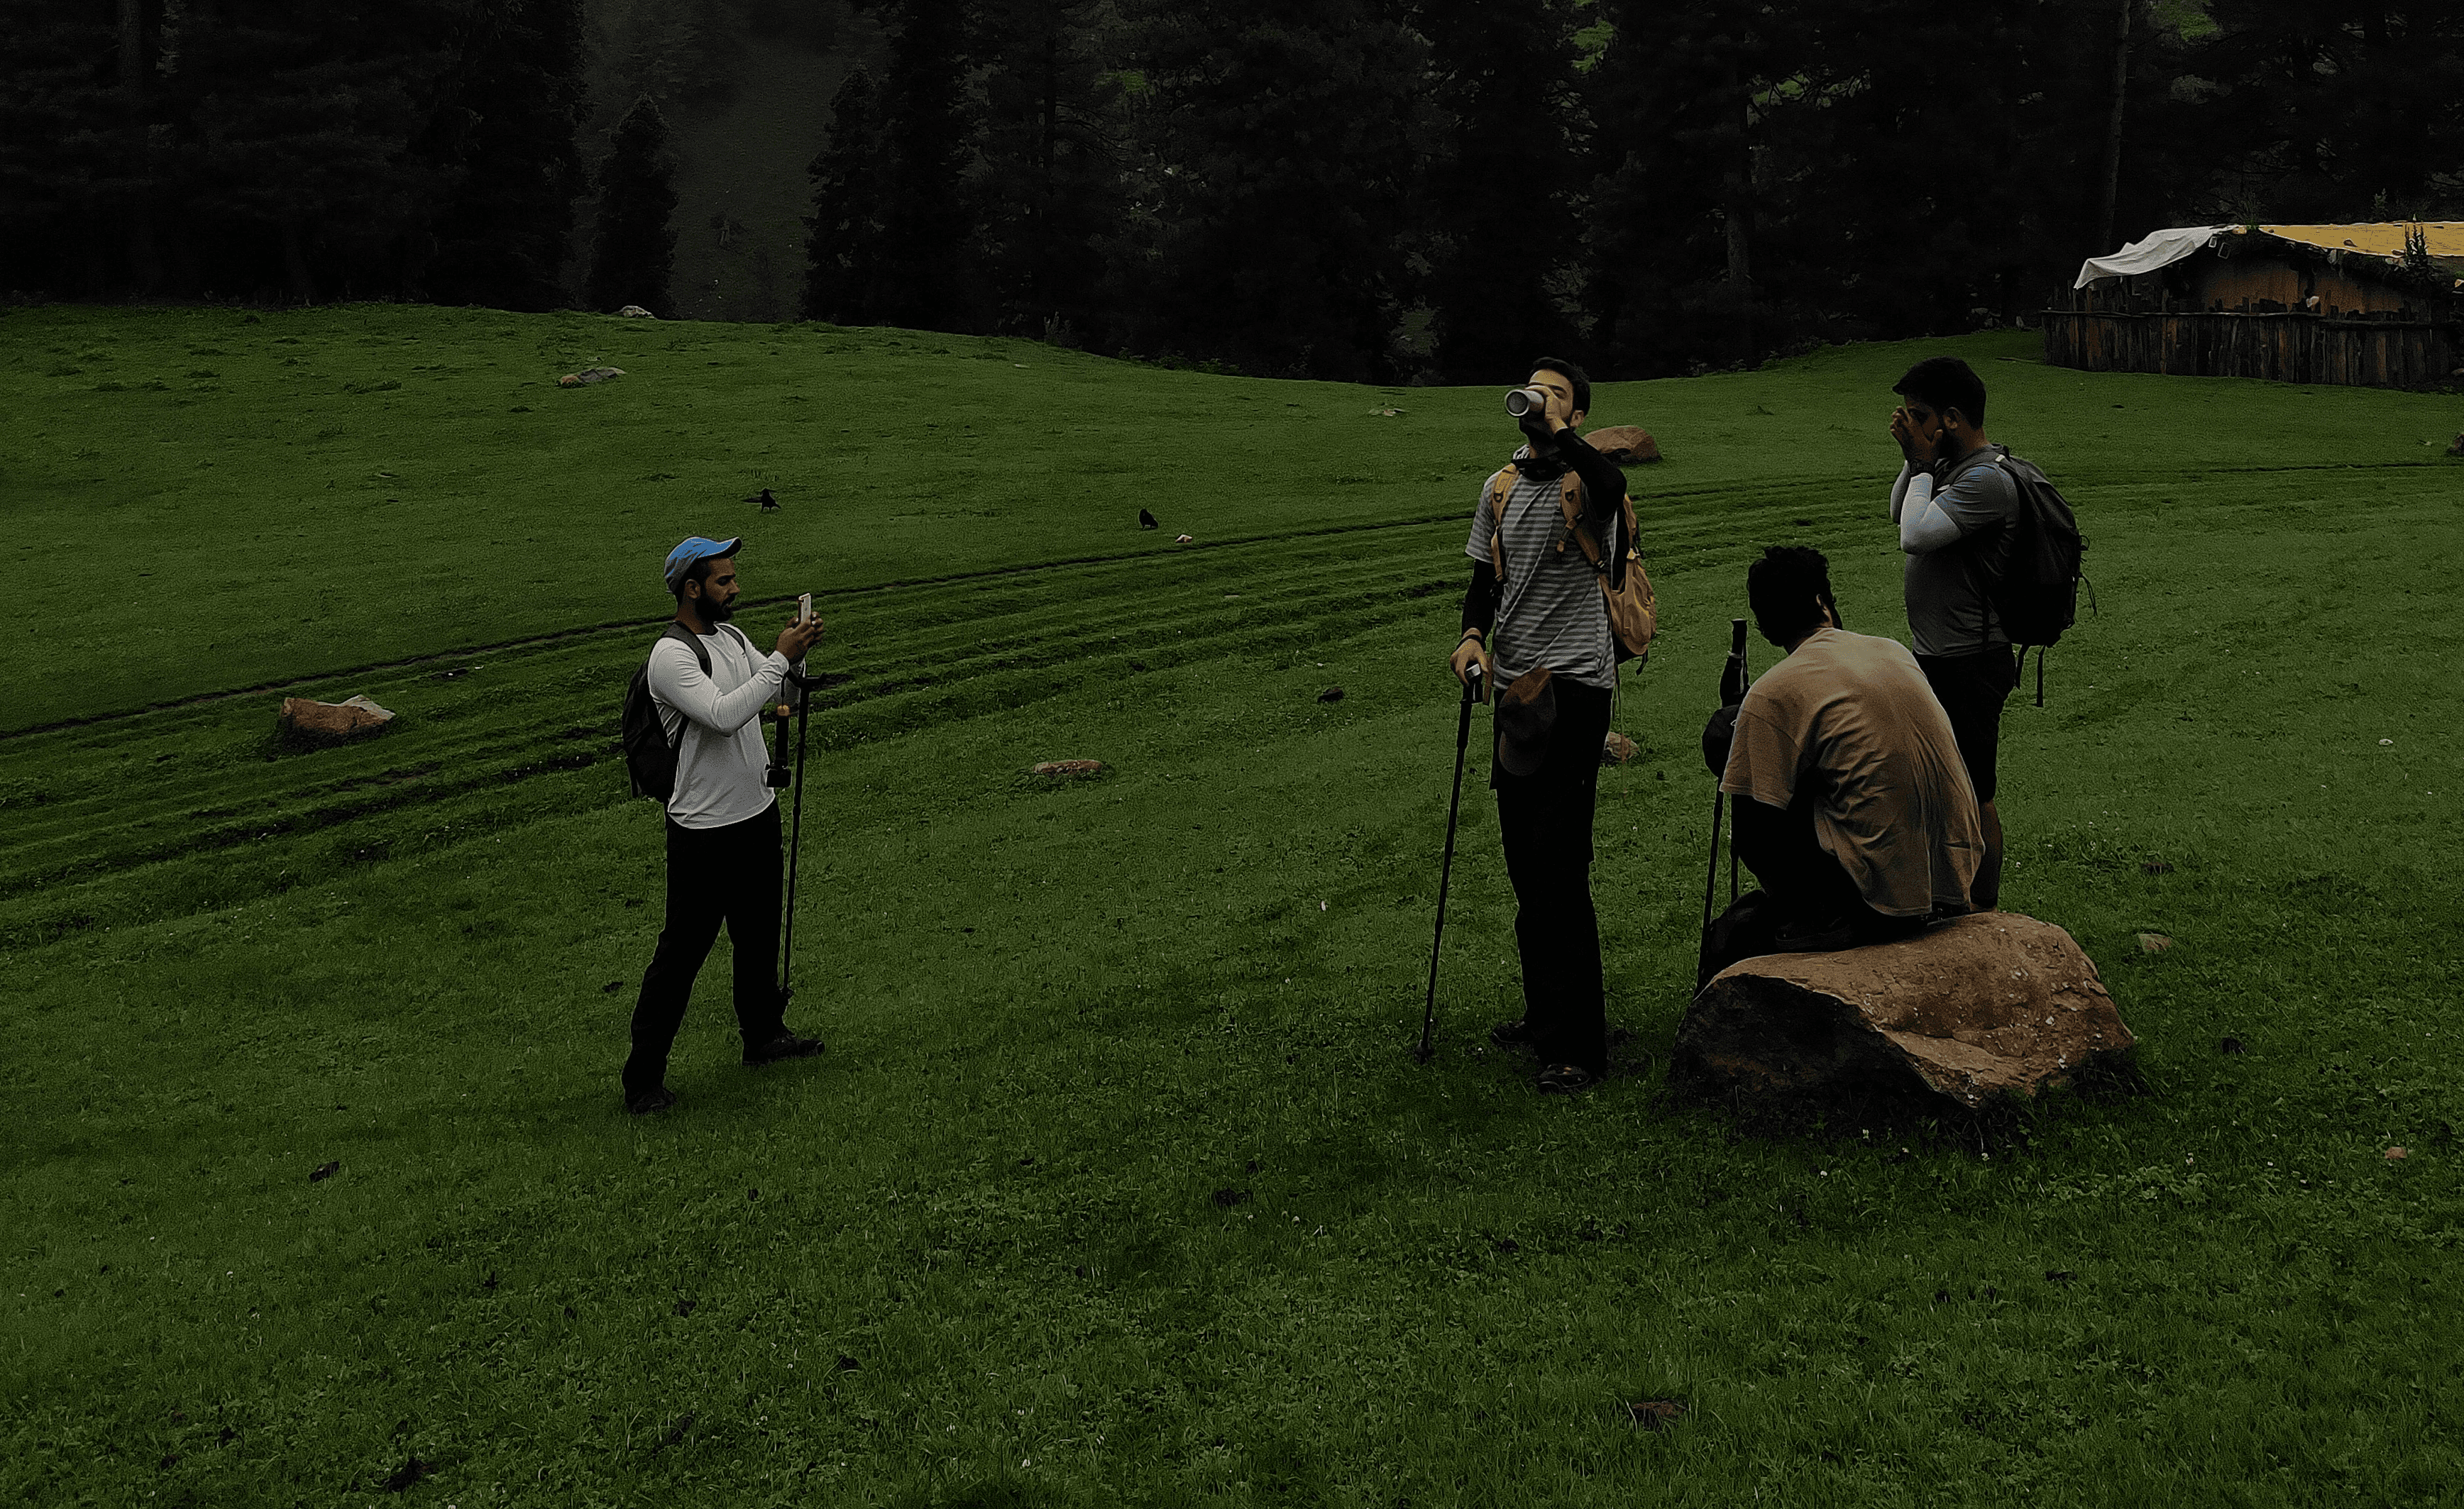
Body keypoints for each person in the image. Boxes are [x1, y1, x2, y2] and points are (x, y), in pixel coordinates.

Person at [1447, 358, 1632, 1095]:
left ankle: (1577, 1047)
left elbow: (1615, 490)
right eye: (1534, 389)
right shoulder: (1499, 486)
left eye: (1556, 395)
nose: (1539, 400)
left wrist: (1562, 436)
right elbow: (1482, 582)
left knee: (1558, 865)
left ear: (1578, 415)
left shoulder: (1586, 481)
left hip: (1577, 686)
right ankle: (1543, 1011)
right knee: (1525, 859)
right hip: (1516, 691)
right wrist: (1469, 638)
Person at [1701, 546, 1982, 978]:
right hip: (1955, 877)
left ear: (1763, 626)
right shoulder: (1893, 651)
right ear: (1823, 604)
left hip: (1878, 902)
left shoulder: (1771, 692)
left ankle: (1817, 917)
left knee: (1757, 795)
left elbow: (1754, 836)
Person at [622, 536, 828, 1117]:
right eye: (723, 581)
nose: (735, 588)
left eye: (734, 577)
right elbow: (722, 713)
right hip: (702, 831)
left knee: (758, 937)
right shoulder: (671, 656)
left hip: (755, 813)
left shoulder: (733, 638)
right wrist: (780, 659)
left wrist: (796, 656)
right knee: (682, 954)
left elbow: (774, 694)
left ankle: (763, 1035)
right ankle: (642, 1080)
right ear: (691, 588)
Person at [1886, 355, 2020, 910]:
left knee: (1975, 793)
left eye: (1920, 416)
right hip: (1937, 656)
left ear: (1954, 418)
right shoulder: (1948, 466)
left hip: (1972, 660)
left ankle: (1986, 915)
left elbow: (1914, 537)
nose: (1911, 425)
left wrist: (1921, 466)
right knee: (1943, 789)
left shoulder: (1988, 478)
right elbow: (1900, 513)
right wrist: (1913, 461)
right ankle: (1951, 897)